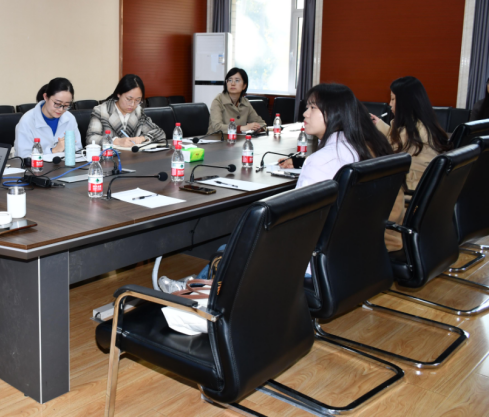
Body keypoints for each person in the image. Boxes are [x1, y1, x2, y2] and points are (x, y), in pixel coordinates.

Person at [158, 83, 392, 293]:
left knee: (233, 246)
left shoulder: (321, 161)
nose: (305, 113)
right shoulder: (355, 149)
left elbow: (301, 221)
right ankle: (197, 286)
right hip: (346, 256)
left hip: (307, 260)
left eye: (312, 108)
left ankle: (194, 293)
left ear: (333, 113)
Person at [370, 76, 451, 250]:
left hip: (410, 199)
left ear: (405, 103)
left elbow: (390, 157)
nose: (390, 104)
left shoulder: (411, 134)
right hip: (426, 198)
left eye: (393, 99)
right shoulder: (423, 126)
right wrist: (382, 126)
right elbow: (400, 144)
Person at [86, 74, 165, 147]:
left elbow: (160, 133)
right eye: (129, 99)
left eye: (137, 100)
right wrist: (116, 141)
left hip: (134, 156)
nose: (132, 104)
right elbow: (90, 139)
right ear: (119, 94)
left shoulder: (138, 112)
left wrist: (143, 138)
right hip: (110, 156)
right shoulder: (101, 111)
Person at [14, 78, 83, 158]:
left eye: (66, 105)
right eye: (57, 103)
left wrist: (69, 148)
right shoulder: (27, 121)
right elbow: (23, 157)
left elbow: (78, 150)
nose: (61, 109)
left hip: (65, 165)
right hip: (38, 166)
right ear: (46, 97)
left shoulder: (70, 118)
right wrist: (53, 150)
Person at [207, 68, 268, 135]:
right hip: (216, 139)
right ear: (226, 83)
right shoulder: (218, 100)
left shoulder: (245, 102)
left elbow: (261, 123)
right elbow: (217, 127)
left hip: (237, 140)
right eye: (230, 80)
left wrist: (258, 128)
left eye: (237, 80)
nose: (232, 83)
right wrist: (243, 128)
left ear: (244, 86)